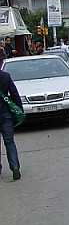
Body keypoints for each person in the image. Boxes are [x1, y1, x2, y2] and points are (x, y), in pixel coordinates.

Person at [0, 52, 23, 180]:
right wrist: (20, 111)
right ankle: (15, 166)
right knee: (9, 141)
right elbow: (15, 94)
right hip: (5, 114)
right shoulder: (6, 76)